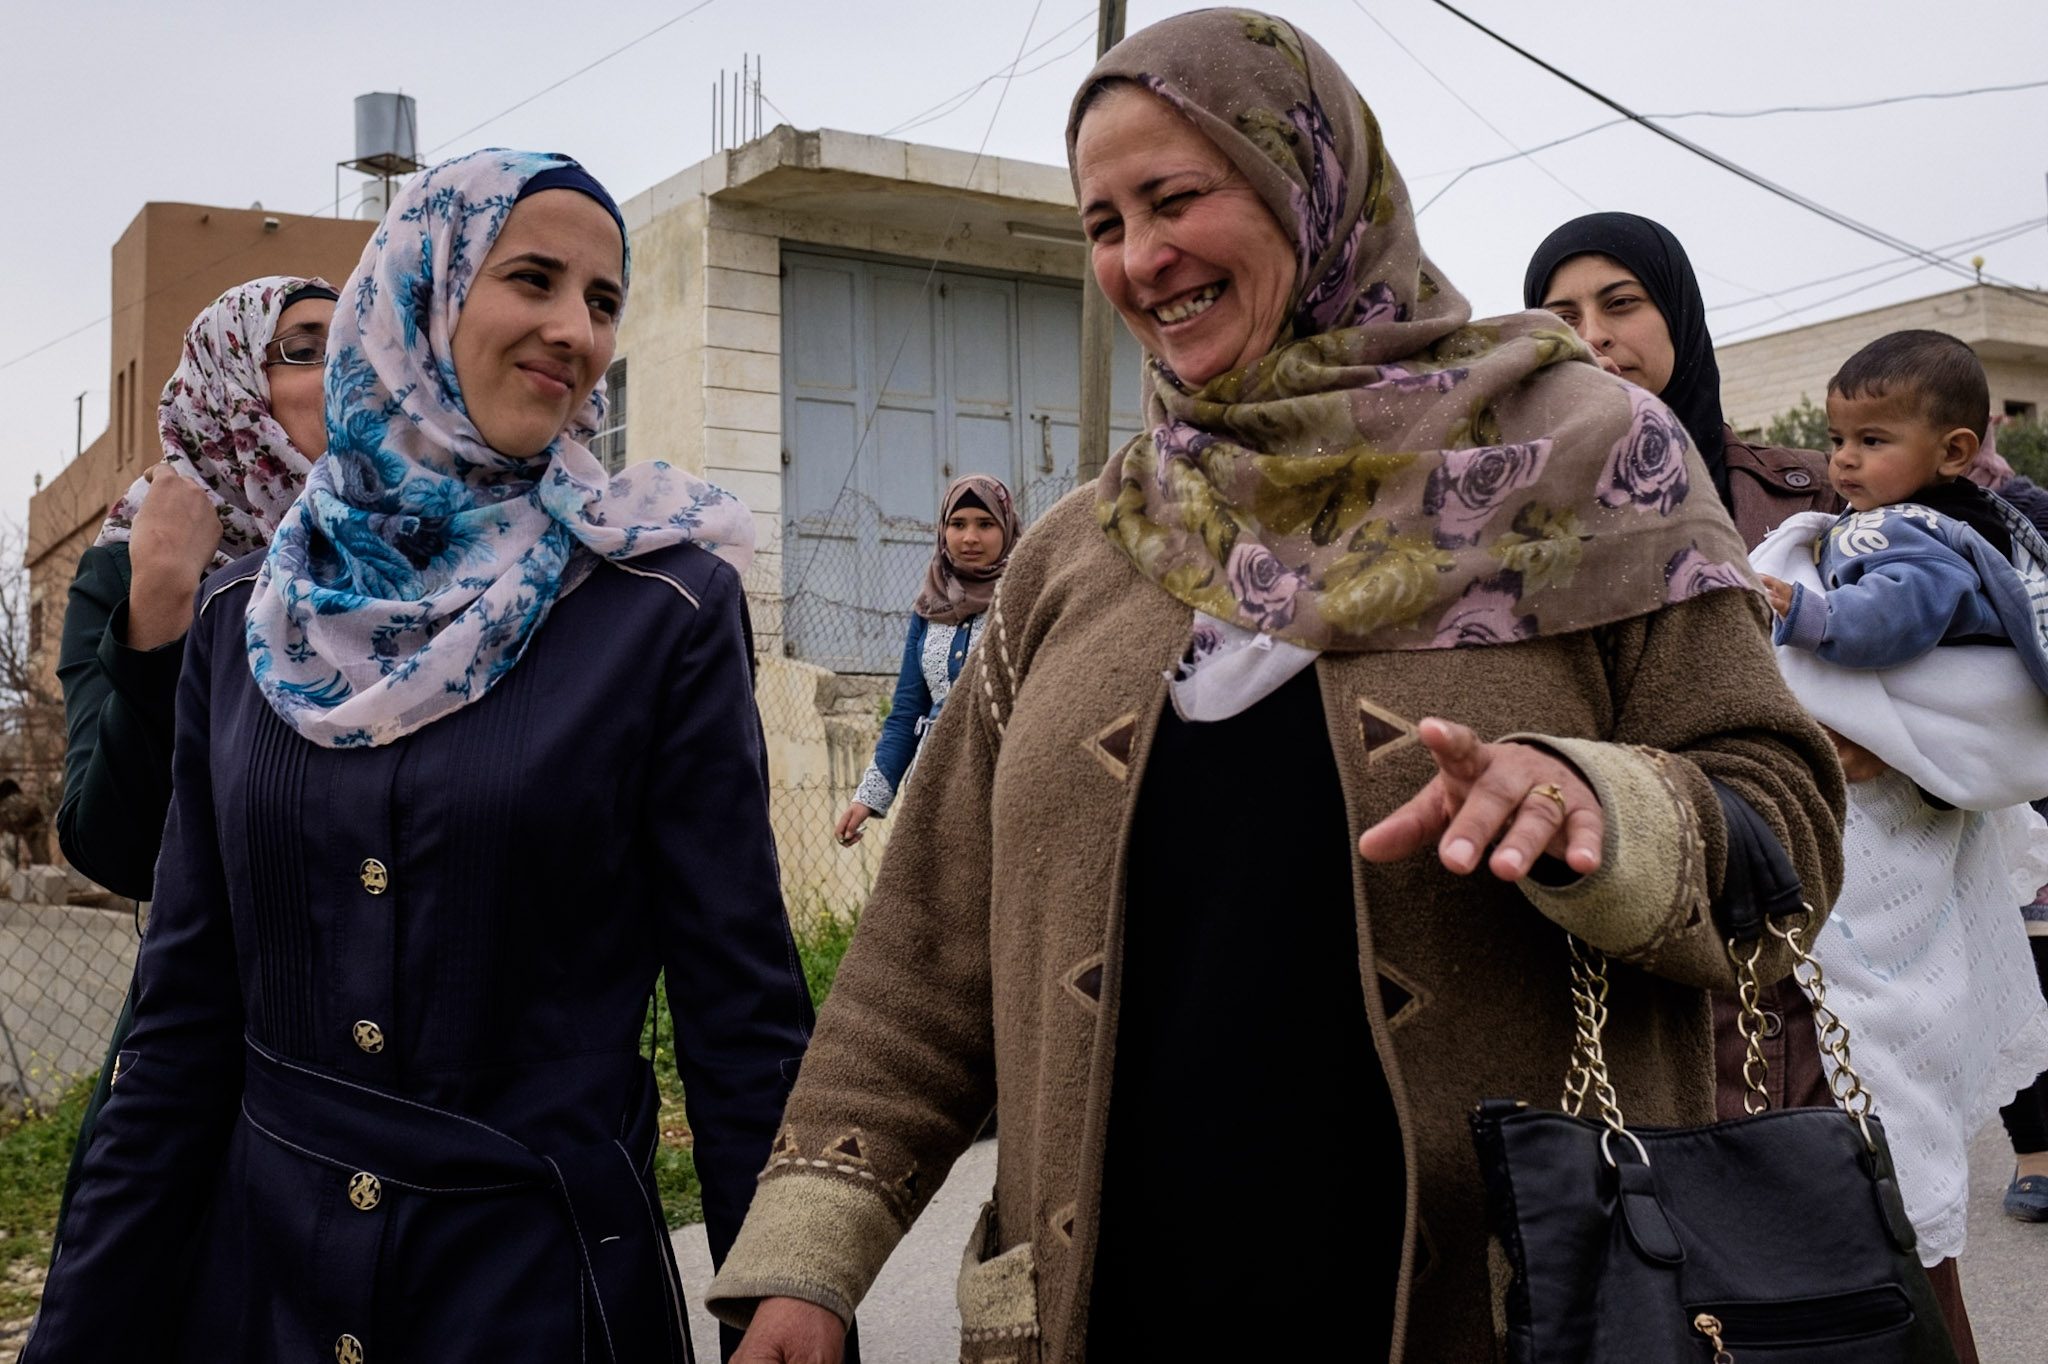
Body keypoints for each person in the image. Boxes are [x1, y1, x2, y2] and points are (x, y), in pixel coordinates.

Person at [708, 13, 1843, 1362]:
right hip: (1119, 1305)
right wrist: (808, 1256)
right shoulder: (1081, 555)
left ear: (1311, 185)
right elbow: (930, 940)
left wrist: (1605, 807)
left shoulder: (1592, 462)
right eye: (1104, 222)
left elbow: (1788, 820)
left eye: (1178, 197)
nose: (1140, 259)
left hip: (1495, 1310)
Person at [25, 150, 814, 1362]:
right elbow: (181, 1028)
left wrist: (786, 1292)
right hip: (264, 1295)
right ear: (418, 298)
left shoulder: (661, 609)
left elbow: (738, 1017)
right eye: (534, 279)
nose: (575, 331)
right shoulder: (245, 625)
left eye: (603, 301)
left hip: (535, 1294)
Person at [1751, 329, 2048, 1362]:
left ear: (1955, 449)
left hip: (1872, 866)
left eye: (1867, 439)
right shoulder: (1871, 517)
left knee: (1879, 1166)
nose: (1839, 460)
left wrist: (1796, 610)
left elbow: (1889, 627)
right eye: (1835, 436)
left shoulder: (1909, 534)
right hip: (1789, 866)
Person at [1527, 211, 1845, 1119]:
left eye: (1620, 304)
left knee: (1846, 1219)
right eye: (1560, 314)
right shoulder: (1512, 518)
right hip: (1631, 927)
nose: (1592, 336)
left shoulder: (1809, 500)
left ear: (1676, 312)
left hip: (1817, 934)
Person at [51, 274, 337, 1251]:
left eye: (357, 343)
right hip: (216, 1055)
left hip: (396, 1065)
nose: (341, 369)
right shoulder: (128, 568)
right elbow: (116, 844)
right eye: (303, 348)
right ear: (232, 388)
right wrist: (161, 612)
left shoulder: (415, 562)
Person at [834, 474, 1019, 848]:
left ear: (1007, 529)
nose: (970, 538)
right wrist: (867, 798)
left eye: (985, 525)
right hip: (933, 787)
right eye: (958, 524)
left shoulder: (1022, 598)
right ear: (942, 529)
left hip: (1007, 782)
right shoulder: (929, 607)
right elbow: (907, 710)